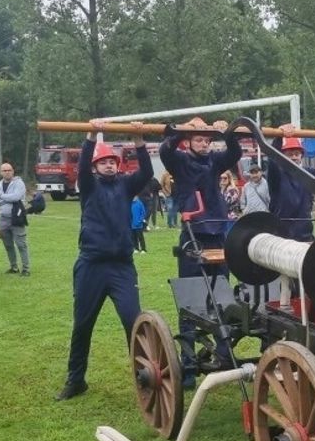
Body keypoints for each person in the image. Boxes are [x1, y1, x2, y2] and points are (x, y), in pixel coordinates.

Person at [55, 123, 155, 401]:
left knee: (133, 322)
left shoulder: (125, 186)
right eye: (104, 162)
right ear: (97, 167)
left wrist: (139, 142)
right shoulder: (88, 186)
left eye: (112, 161)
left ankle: (144, 377)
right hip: (91, 265)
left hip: (121, 267)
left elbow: (146, 172)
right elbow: (82, 167)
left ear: (118, 165)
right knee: (83, 324)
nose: (109, 166)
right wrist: (89, 138)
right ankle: (76, 380)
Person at [159, 117, 243, 385]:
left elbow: (234, 153)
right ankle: (189, 366)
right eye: (199, 139)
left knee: (222, 298)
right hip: (193, 236)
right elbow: (165, 151)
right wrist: (179, 131)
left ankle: (222, 357)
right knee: (190, 302)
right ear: (189, 141)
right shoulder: (181, 161)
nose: (204, 144)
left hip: (218, 233)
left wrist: (228, 134)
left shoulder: (215, 162)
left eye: (207, 140)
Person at [270, 123, 315, 241]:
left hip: (305, 236)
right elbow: (272, 160)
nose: (293, 157)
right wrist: (279, 137)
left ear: (301, 156)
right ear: (282, 156)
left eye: (296, 154)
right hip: (281, 238)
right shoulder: (276, 175)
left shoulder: (308, 173)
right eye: (289, 154)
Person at [0, 161, 31, 276]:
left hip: (17, 218)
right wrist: (8, 198)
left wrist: (2, 197)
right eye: (4, 170)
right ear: (0, 172)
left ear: (13, 171)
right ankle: (14, 267)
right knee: (8, 245)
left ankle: (26, 269)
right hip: (3, 219)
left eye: (9, 170)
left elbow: (17, 197)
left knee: (21, 244)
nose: (7, 172)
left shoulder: (19, 183)